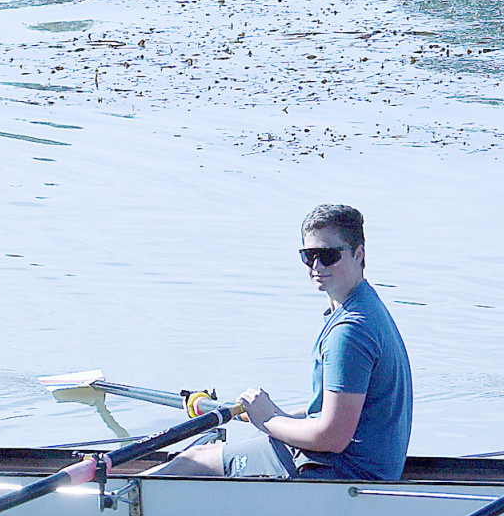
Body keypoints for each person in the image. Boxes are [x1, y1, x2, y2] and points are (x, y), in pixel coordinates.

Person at [153, 204, 413, 481]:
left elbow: (332, 438)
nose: (317, 266)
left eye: (328, 256)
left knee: (192, 461)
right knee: (209, 452)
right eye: (309, 256)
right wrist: (279, 415)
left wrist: (268, 420)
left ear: (358, 254)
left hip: (339, 474)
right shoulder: (367, 305)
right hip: (363, 466)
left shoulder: (349, 330)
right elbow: (336, 413)